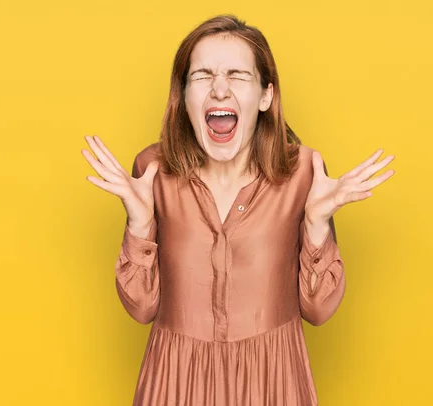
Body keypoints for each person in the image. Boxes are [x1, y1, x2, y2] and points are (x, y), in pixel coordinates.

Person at [82, 14, 395, 406]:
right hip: (175, 384)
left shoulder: (304, 175)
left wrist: (316, 224)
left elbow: (318, 311)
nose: (219, 90)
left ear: (265, 95)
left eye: (237, 75)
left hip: (274, 383)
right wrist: (140, 223)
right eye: (202, 75)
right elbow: (142, 309)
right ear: (183, 96)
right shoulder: (151, 171)